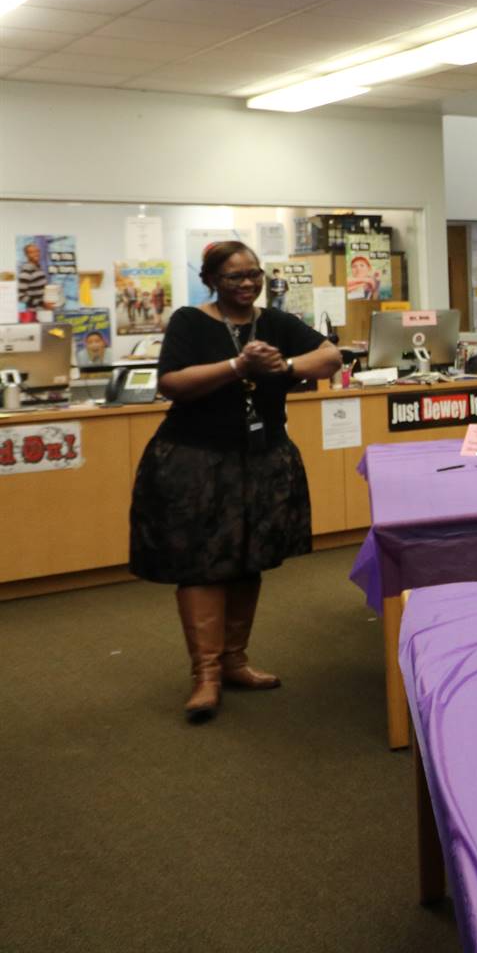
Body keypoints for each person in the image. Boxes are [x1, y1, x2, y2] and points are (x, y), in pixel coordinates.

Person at [128, 241, 342, 723]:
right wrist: (236, 367)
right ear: (212, 281)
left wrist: (284, 366)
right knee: (202, 565)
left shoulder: (275, 323)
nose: (246, 284)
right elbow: (172, 383)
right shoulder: (189, 320)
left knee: (249, 559)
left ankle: (234, 661)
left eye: (253, 275)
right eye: (233, 278)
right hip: (194, 461)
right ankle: (204, 675)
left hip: (261, 460)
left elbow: (330, 358)